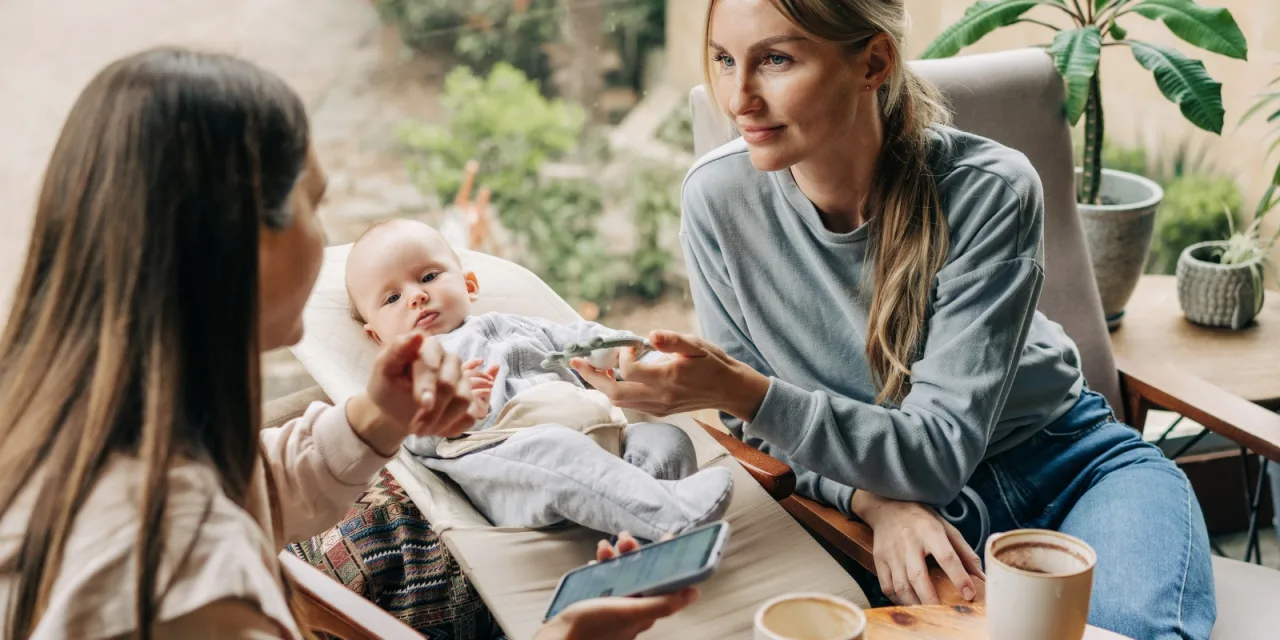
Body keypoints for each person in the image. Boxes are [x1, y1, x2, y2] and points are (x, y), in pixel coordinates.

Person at [570, 1, 1216, 638]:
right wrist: (872, 502)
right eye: (723, 59)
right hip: (909, 511)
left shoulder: (990, 189)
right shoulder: (717, 199)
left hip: (1074, 469)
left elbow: (935, 450)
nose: (738, 98)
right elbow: (759, 430)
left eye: (774, 59)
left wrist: (738, 388)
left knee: (1134, 633)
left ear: (873, 60)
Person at [0, 48, 694, 639]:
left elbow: (253, 484)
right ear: (240, 244)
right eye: (314, 203)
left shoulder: (101, 432)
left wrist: (376, 415)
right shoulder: (187, 585)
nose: (324, 239)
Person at [343, 218, 733, 541]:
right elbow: (411, 436)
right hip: (517, 468)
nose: (415, 296)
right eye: (392, 299)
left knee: (665, 438)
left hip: (603, 440)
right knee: (554, 446)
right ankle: (670, 516)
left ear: (469, 285)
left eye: (428, 276)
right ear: (377, 336)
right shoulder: (409, 371)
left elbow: (579, 339)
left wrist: (620, 351)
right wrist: (442, 404)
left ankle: (637, 529)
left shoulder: (516, 325)